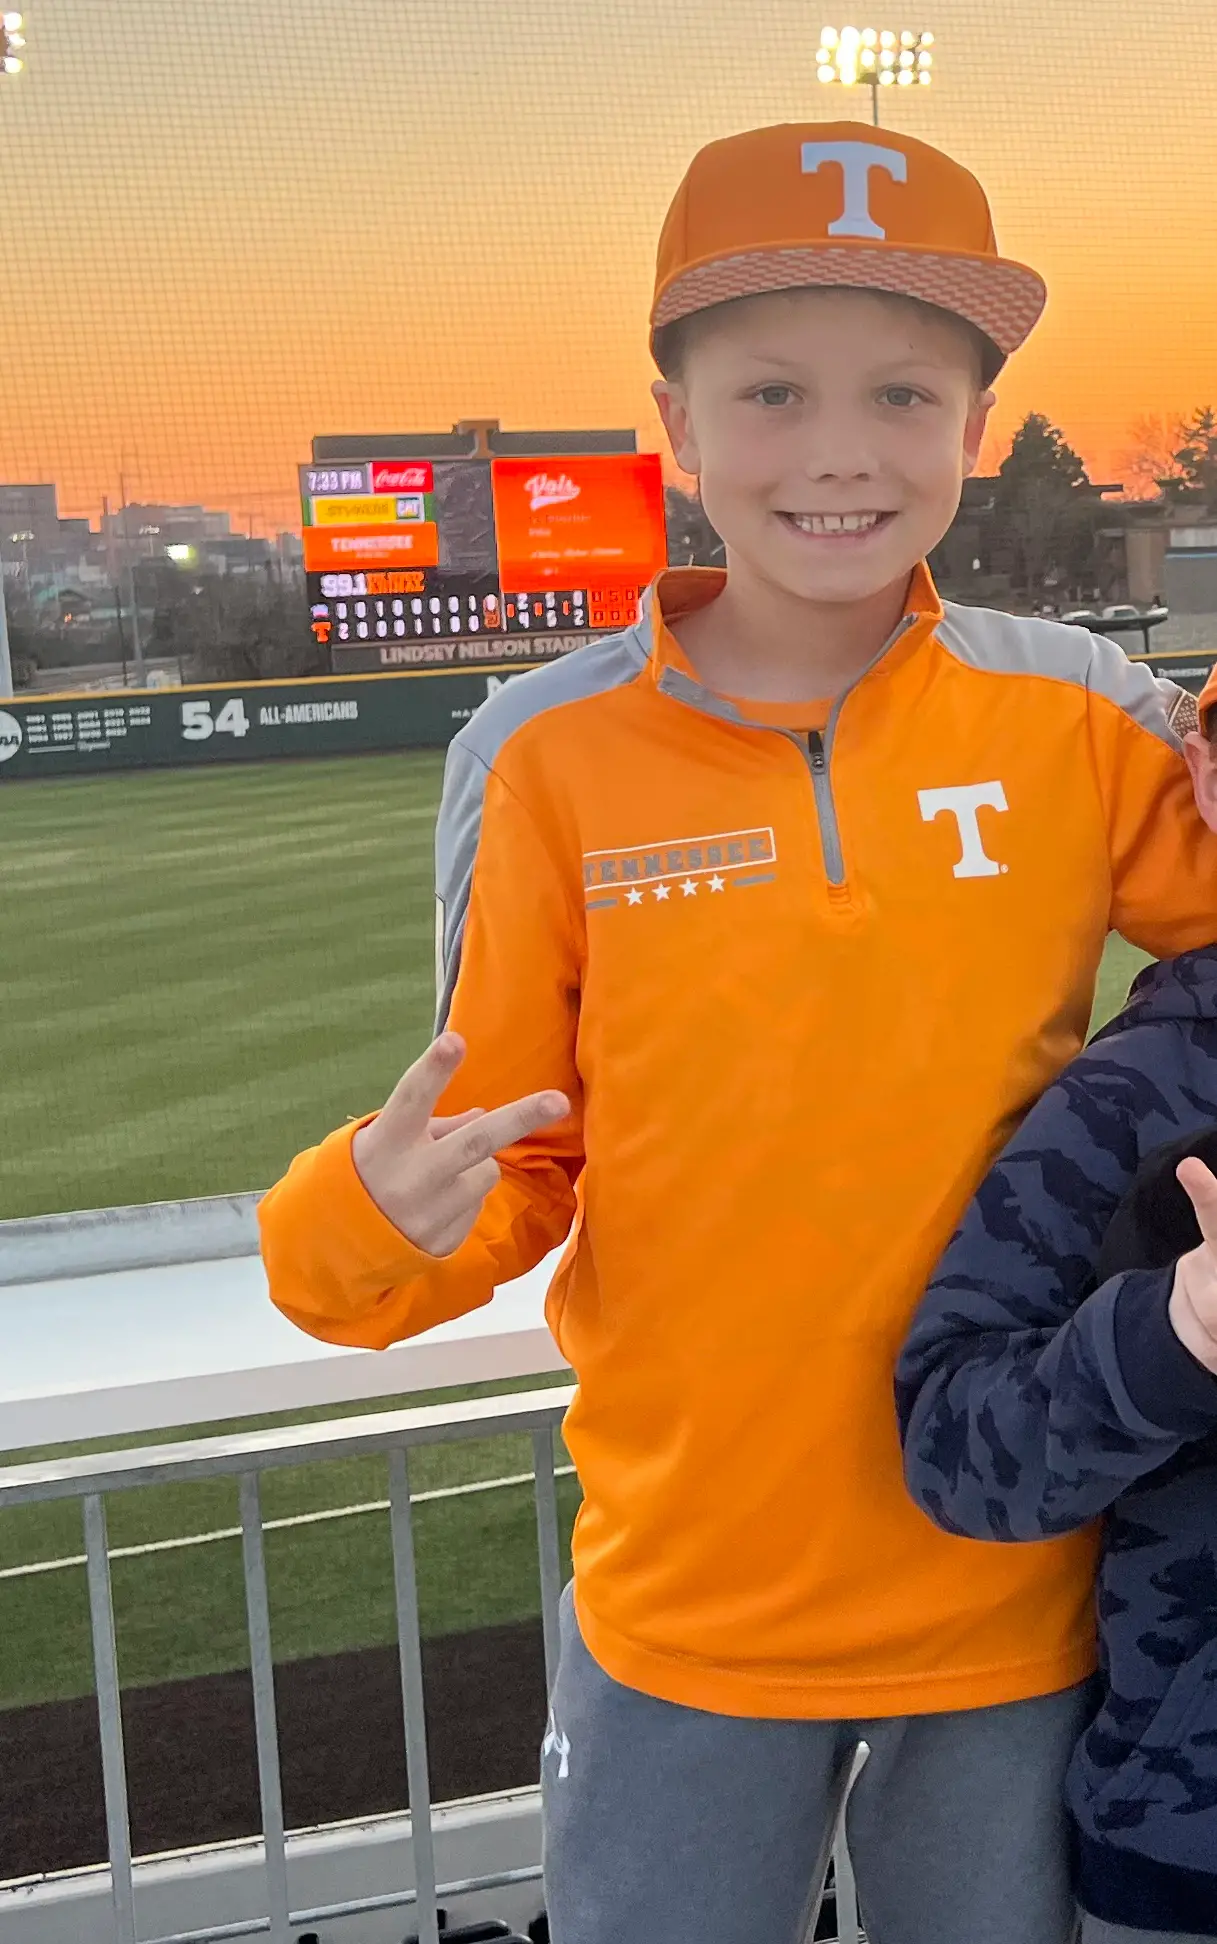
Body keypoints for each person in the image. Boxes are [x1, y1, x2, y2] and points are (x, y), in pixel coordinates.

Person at [258, 123, 1217, 1944]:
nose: (840, 451)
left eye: (902, 394)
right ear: (676, 428)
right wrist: (356, 1217)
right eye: (772, 392)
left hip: (1016, 1585)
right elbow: (505, 1158)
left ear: (972, 425)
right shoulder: (539, 753)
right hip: (686, 1609)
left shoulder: (1079, 709)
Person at [897, 667, 1217, 1944]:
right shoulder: (1128, 1101)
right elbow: (954, 1449)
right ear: (1204, 777)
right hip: (1190, 1846)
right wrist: (1171, 1336)